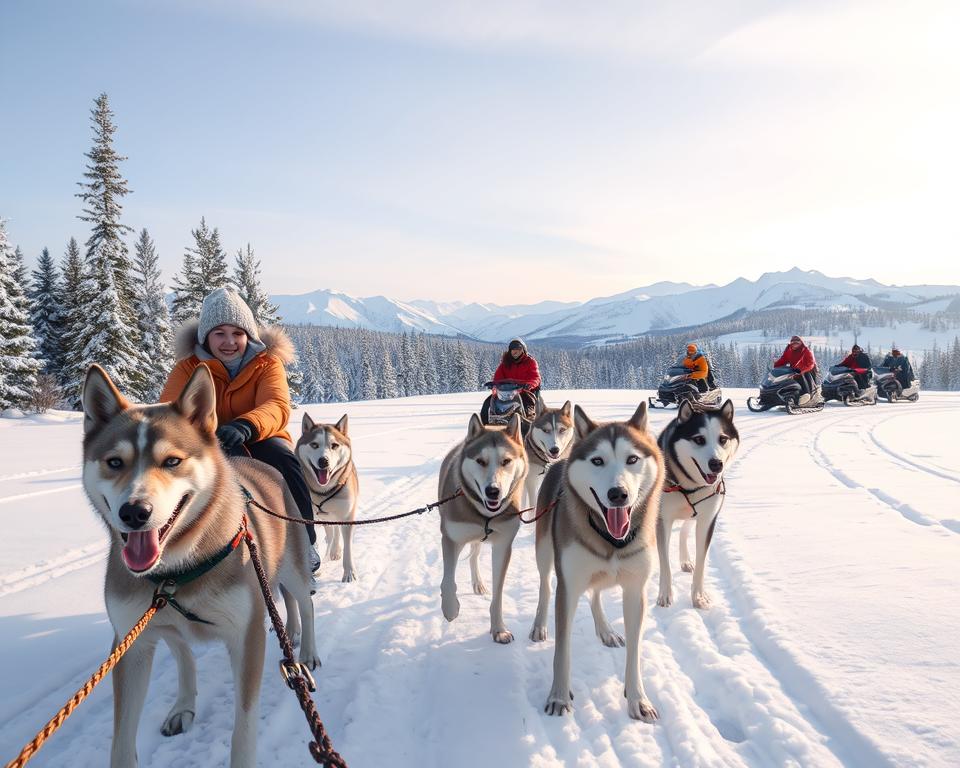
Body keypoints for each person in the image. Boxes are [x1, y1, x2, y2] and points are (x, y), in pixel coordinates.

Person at [160, 287, 320, 570]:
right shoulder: (188, 367)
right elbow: (170, 411)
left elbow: (276, 405)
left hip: (260, 435)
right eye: (219, 333)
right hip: (206, 442)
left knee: (286, 463)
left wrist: (247, 425)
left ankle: (305, 543)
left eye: (237, 333)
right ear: (206, 336)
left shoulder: (267, 363)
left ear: (248, 335)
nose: (229, 342)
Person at [483, 338, 541, 421]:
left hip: (524, 391)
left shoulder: (530, 362)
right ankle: (485, 428)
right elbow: (498, 378)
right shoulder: (505, 362)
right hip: (505, 393)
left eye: (518, 349)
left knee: (527, 408)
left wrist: (529, 384)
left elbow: (535, 377)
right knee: (487, 404)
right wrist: (493, 384)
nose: (515, 351)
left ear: (523, 350)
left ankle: (529, 425)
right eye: (513, 349)